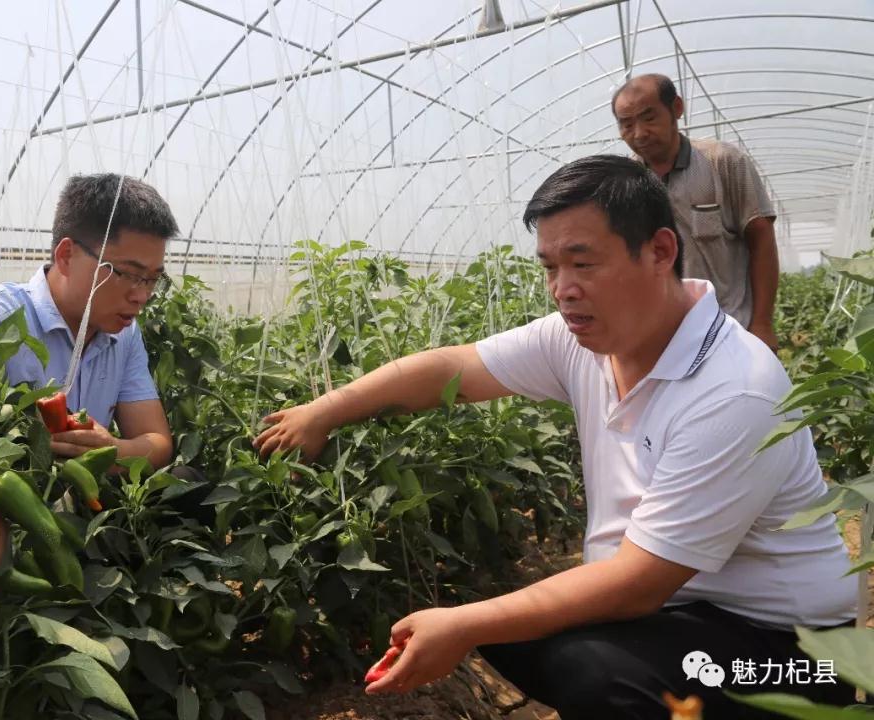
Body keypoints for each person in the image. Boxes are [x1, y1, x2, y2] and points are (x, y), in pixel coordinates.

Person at [252, 155, 857, 718]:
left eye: (583, 262)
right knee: (518, 637)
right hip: (684, 615)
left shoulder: (734, 389)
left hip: (789, 651)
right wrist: (323, 411)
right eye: (550, 267)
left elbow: (639, 584)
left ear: (660, 251)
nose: (562, 288)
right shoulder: (580, 339)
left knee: (587, 668)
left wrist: (463, 624)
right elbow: (452, 371)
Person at [0, 173, 177, 603]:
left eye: (152, 279)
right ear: (67, 255)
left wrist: (109, 451)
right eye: (127, 274)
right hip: (8, 526)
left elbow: (158, 442)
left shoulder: (124, 335)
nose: (141, 295)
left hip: (79, 522)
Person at [613, 73, 780, 352]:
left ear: (677, 108)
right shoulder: (625, 184)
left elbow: (761, 239)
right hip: (666, 341)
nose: (639, 133)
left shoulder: (723, 162)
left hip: (732, 330)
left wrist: (762, 323)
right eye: (627, 124)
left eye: (649, 117)